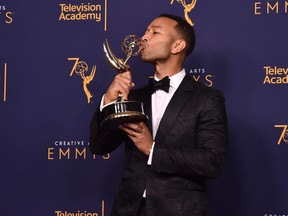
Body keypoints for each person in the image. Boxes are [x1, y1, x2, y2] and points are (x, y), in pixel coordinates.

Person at [90, 13, 228, 216]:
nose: (144, 37)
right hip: (128, 210)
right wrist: (108, 101)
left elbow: (212, 161)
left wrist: (152, 149)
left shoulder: (207, 98)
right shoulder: (133, 97)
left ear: (177, 46)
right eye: (145, 31)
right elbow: (99, 146)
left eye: (154, 32)